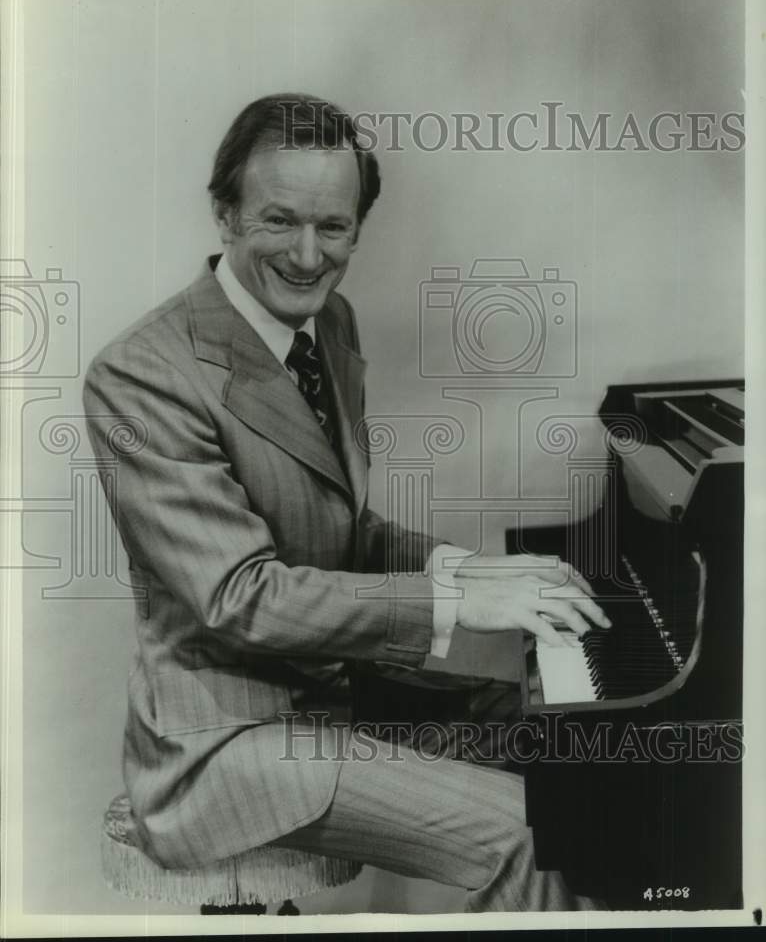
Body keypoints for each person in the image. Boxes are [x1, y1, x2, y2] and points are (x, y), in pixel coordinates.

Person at [83, 93, 611, 913]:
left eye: (333, 227)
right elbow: (240, 596)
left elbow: (341, 530)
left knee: (564, 738)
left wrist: (469, 566)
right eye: (279, 221)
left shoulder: (331, 326)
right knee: (531, 835)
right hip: (224, 744)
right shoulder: (141, 375)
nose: (306, 255)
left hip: (333, 692)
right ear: (224, 216)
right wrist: (455, 598)